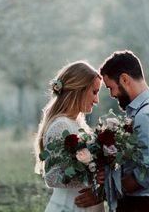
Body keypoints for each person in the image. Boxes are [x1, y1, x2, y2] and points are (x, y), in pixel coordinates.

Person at [75, 50, 149, 212]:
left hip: (142, 206)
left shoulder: (146, 115)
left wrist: (103, 192)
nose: (112, 94)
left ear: (124, 79)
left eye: (111, 88)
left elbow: (146, 173)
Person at [35, 61, 106, 212]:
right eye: (94, 92)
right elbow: (52, 177)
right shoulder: (60, 126)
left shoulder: (78, 123)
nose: (97, 100)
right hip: (68, 206)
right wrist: (91, 175)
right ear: (79, 90)